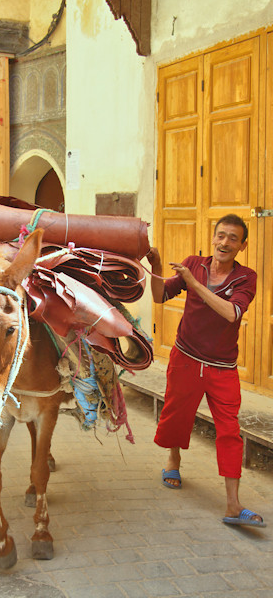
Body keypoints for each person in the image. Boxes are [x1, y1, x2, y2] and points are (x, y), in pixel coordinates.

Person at [147, 213, 266, 528]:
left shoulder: (246, 278)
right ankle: (173, 460)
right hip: (185, 357)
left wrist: (193, 283)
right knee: (176, 413)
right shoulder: (194, 263)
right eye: (221, 235)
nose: (225, 242)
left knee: (229, 430)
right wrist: (156, 267)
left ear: (242, 245)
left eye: (233, 238)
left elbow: (231, 313)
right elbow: (160, 296)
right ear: (213, 238)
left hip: (222, 368)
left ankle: (232, 504)